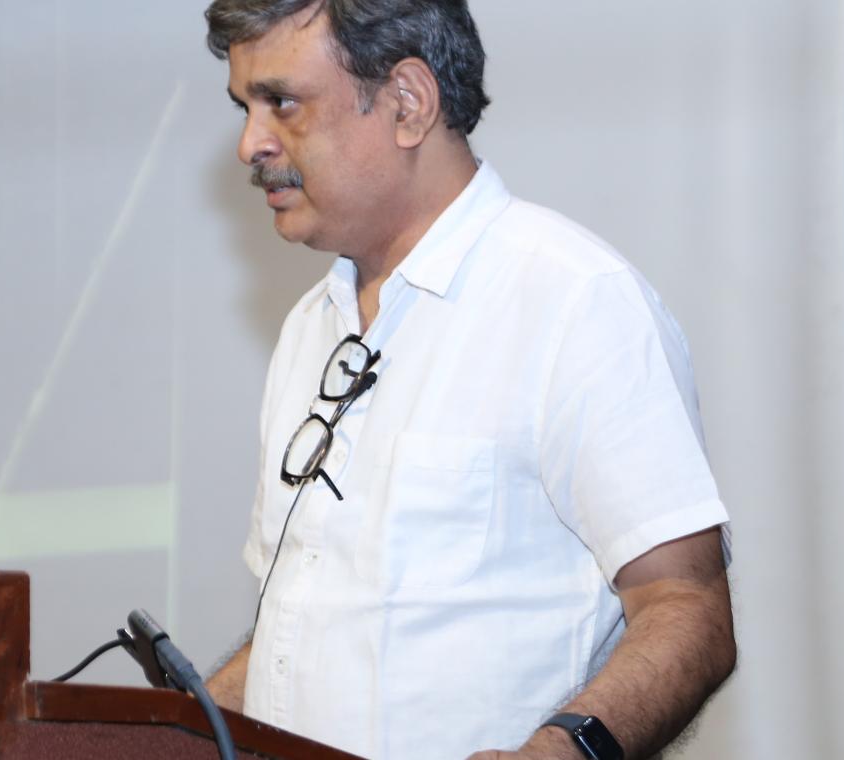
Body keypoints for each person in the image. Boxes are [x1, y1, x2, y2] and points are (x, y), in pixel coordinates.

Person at [197, 2, 736, 758]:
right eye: (244, 107)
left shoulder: (573, 300)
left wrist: (560, 752)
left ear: (408, 104)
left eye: (281, 102)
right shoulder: (308, 329)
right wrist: (150, 732)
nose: (251, 143)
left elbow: (689, 608)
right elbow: (313, 627)